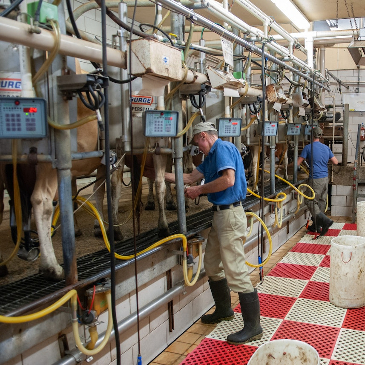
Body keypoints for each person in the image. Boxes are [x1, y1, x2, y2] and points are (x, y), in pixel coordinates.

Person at [165, 121, 262, 345]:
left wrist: (199, 190)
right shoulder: (210, 157)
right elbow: (189, 178)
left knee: (235, 270)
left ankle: (253, 326)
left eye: (197, 142)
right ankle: (224, 309)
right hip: (220, 215)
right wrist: (158, 174)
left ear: (205, 136)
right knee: (211, 264)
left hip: (230, 215)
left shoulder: (224, 149)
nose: (197, 148)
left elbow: (228, 180)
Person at [297, 126, 338, 236]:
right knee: (321, 201)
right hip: (325, 178)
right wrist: (323, 160)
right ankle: (317, 226)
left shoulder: (308, 148)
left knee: (310, 201)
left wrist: (287, 167)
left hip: (315, 179)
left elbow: (298, 163)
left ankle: (325, 221)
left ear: (311, 136)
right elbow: (335, 161)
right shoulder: (325, 148)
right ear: (320, 136)